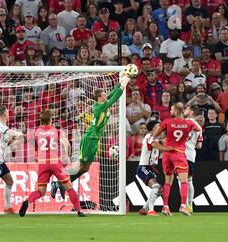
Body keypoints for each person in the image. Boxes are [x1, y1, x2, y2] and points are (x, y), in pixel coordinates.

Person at [51, 71, 130, 199]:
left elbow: (111, 95)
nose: (106, 95)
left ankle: (62, 184)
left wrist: (120, 82)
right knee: (79, 166)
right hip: (89, 139)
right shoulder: (100, 107)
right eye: (104, 95)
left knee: (85, 169)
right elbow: (115, 98)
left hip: (94, 139)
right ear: (99, 98)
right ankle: (58, 183)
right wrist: (123, 85)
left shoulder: (100, 104)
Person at [19, 109, 85, 218]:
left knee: (40, 191)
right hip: (56, 162)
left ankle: (27, 201)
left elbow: (23, 139)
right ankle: (79, 211)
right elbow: (67, 144)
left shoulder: (35, 131)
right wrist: (67, 157)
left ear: (41, 120)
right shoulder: (56, 131)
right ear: (51, 120)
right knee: (69, 187)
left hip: (43, 163)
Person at [154, 102, 201, 216]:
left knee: (167, 182)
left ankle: (165, 206)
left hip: (167, 153)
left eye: (171, 109)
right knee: (184, 181)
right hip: (179, 154)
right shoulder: (189, 123)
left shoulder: (167, 122)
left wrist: (163, 143)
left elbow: (155, 134)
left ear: (176, 111)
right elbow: (199, 129)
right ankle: (183, 206)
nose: (170, 111)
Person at [136, 120, 174, 216]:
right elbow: (155, 145)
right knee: (156, 186)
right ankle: (151, 210)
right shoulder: (149, 136)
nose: (161, 128)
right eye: (158, 127)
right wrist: (167, 148)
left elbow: (158, 149)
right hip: (143, 167)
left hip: (151, 167)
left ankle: (145, 208)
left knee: (160, 190)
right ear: (153, 129)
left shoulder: (156, 138)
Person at [182, 105, 203, 214]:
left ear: (191, 112)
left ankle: (184, 205)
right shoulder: (198, 127)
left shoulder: (183, 122)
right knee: (189, 180)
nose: (184, 110)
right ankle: (190, 204)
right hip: (191, 155)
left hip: (181, 154)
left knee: (181, 181)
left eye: (186, 108)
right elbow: (199, 146)